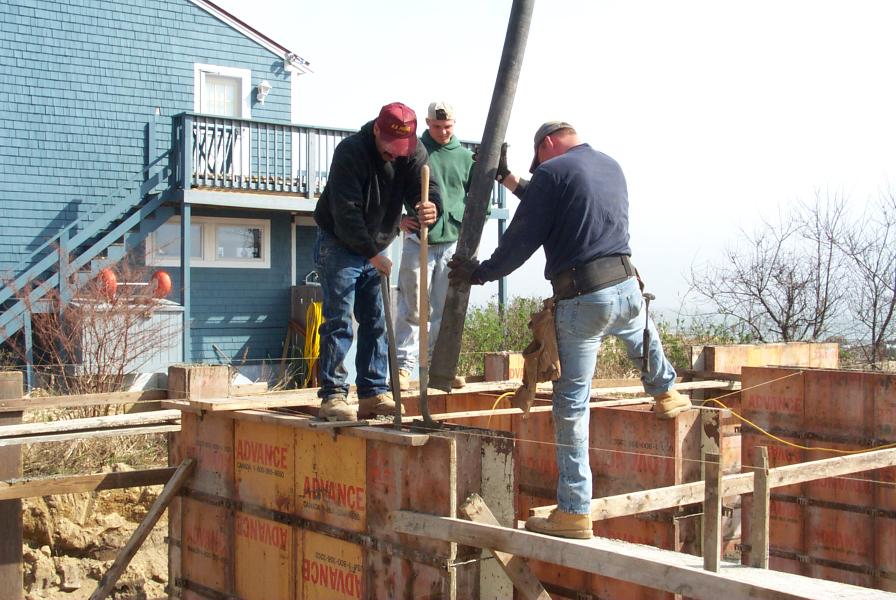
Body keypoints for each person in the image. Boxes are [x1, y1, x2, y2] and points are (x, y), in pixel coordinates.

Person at [448, 121, 692, 539]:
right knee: (641, 334)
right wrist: (509, 179)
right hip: (627, 287)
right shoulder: (609, 166)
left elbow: (525, 233)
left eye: (539, 161)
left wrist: (482, 272)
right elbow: (557, 203)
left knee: (572, 406)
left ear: (547, 144)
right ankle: (666, 392)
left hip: (583, 297)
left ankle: (575, 512)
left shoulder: (551, 173)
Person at [313, 102, 440, 422]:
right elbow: (346, 213)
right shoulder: (351, 153)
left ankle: (372, 393)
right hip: (339, 242)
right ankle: (333, 395)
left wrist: (430, 207)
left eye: (402, 148)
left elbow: (425, 189)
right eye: (390, 146)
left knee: (376, 321)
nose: (395, 154)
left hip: (376, 244)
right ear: (376, 131)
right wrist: (372, 255)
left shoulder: (413, 152)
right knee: (339, 320)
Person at [394, 101, 473, 391]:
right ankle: (403, 368)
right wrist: (397, 219)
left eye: (447, 126)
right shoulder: (413, 151)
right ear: (428, 123)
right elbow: (391, 188)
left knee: (444, 308)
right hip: (418, 239)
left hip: (450, 242)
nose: (442, 132)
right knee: (411, 305)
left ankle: (439, 369)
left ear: (454, 124)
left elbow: (479, 200)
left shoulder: (466, 157)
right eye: (437, 126)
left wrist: (467, 231)